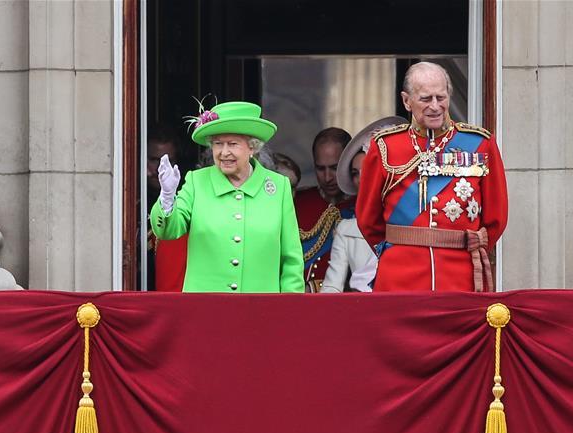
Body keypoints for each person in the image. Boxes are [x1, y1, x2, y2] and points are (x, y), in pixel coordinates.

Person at [356, 62, 508, 292]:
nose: (435, 106)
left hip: (460, 276)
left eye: (441, 97)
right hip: (400, 276)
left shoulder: (480, 144)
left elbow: (496, 217)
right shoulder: (385, 146)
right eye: (426, 99)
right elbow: (368, 219)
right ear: (407, 101)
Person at [150, 101, 304, 293]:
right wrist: (167, 196)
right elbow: (169, 231)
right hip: (206, 310)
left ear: (252, 147)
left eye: (232, 144)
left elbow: (291, 258)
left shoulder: (278, 187)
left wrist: (289, 308)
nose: (224, 152)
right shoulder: (197, 182)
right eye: (218, 144)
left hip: (261, 311)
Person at [320, 116, 404, 293]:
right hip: (364, 311)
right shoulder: (346, 228)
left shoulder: (417, 221)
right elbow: (331, 287)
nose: (362, 179)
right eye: (355, 173)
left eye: (368, 170)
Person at [295, 127, 353, 292]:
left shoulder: (361, 207)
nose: (327, 178)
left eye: (334, 168)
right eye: (321, 169)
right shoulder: (299, 202)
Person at [146, 125, 187, 292]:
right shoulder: (127, 194)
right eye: (154, 160)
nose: (161, 168)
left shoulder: (185, 199)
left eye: (169, 161)